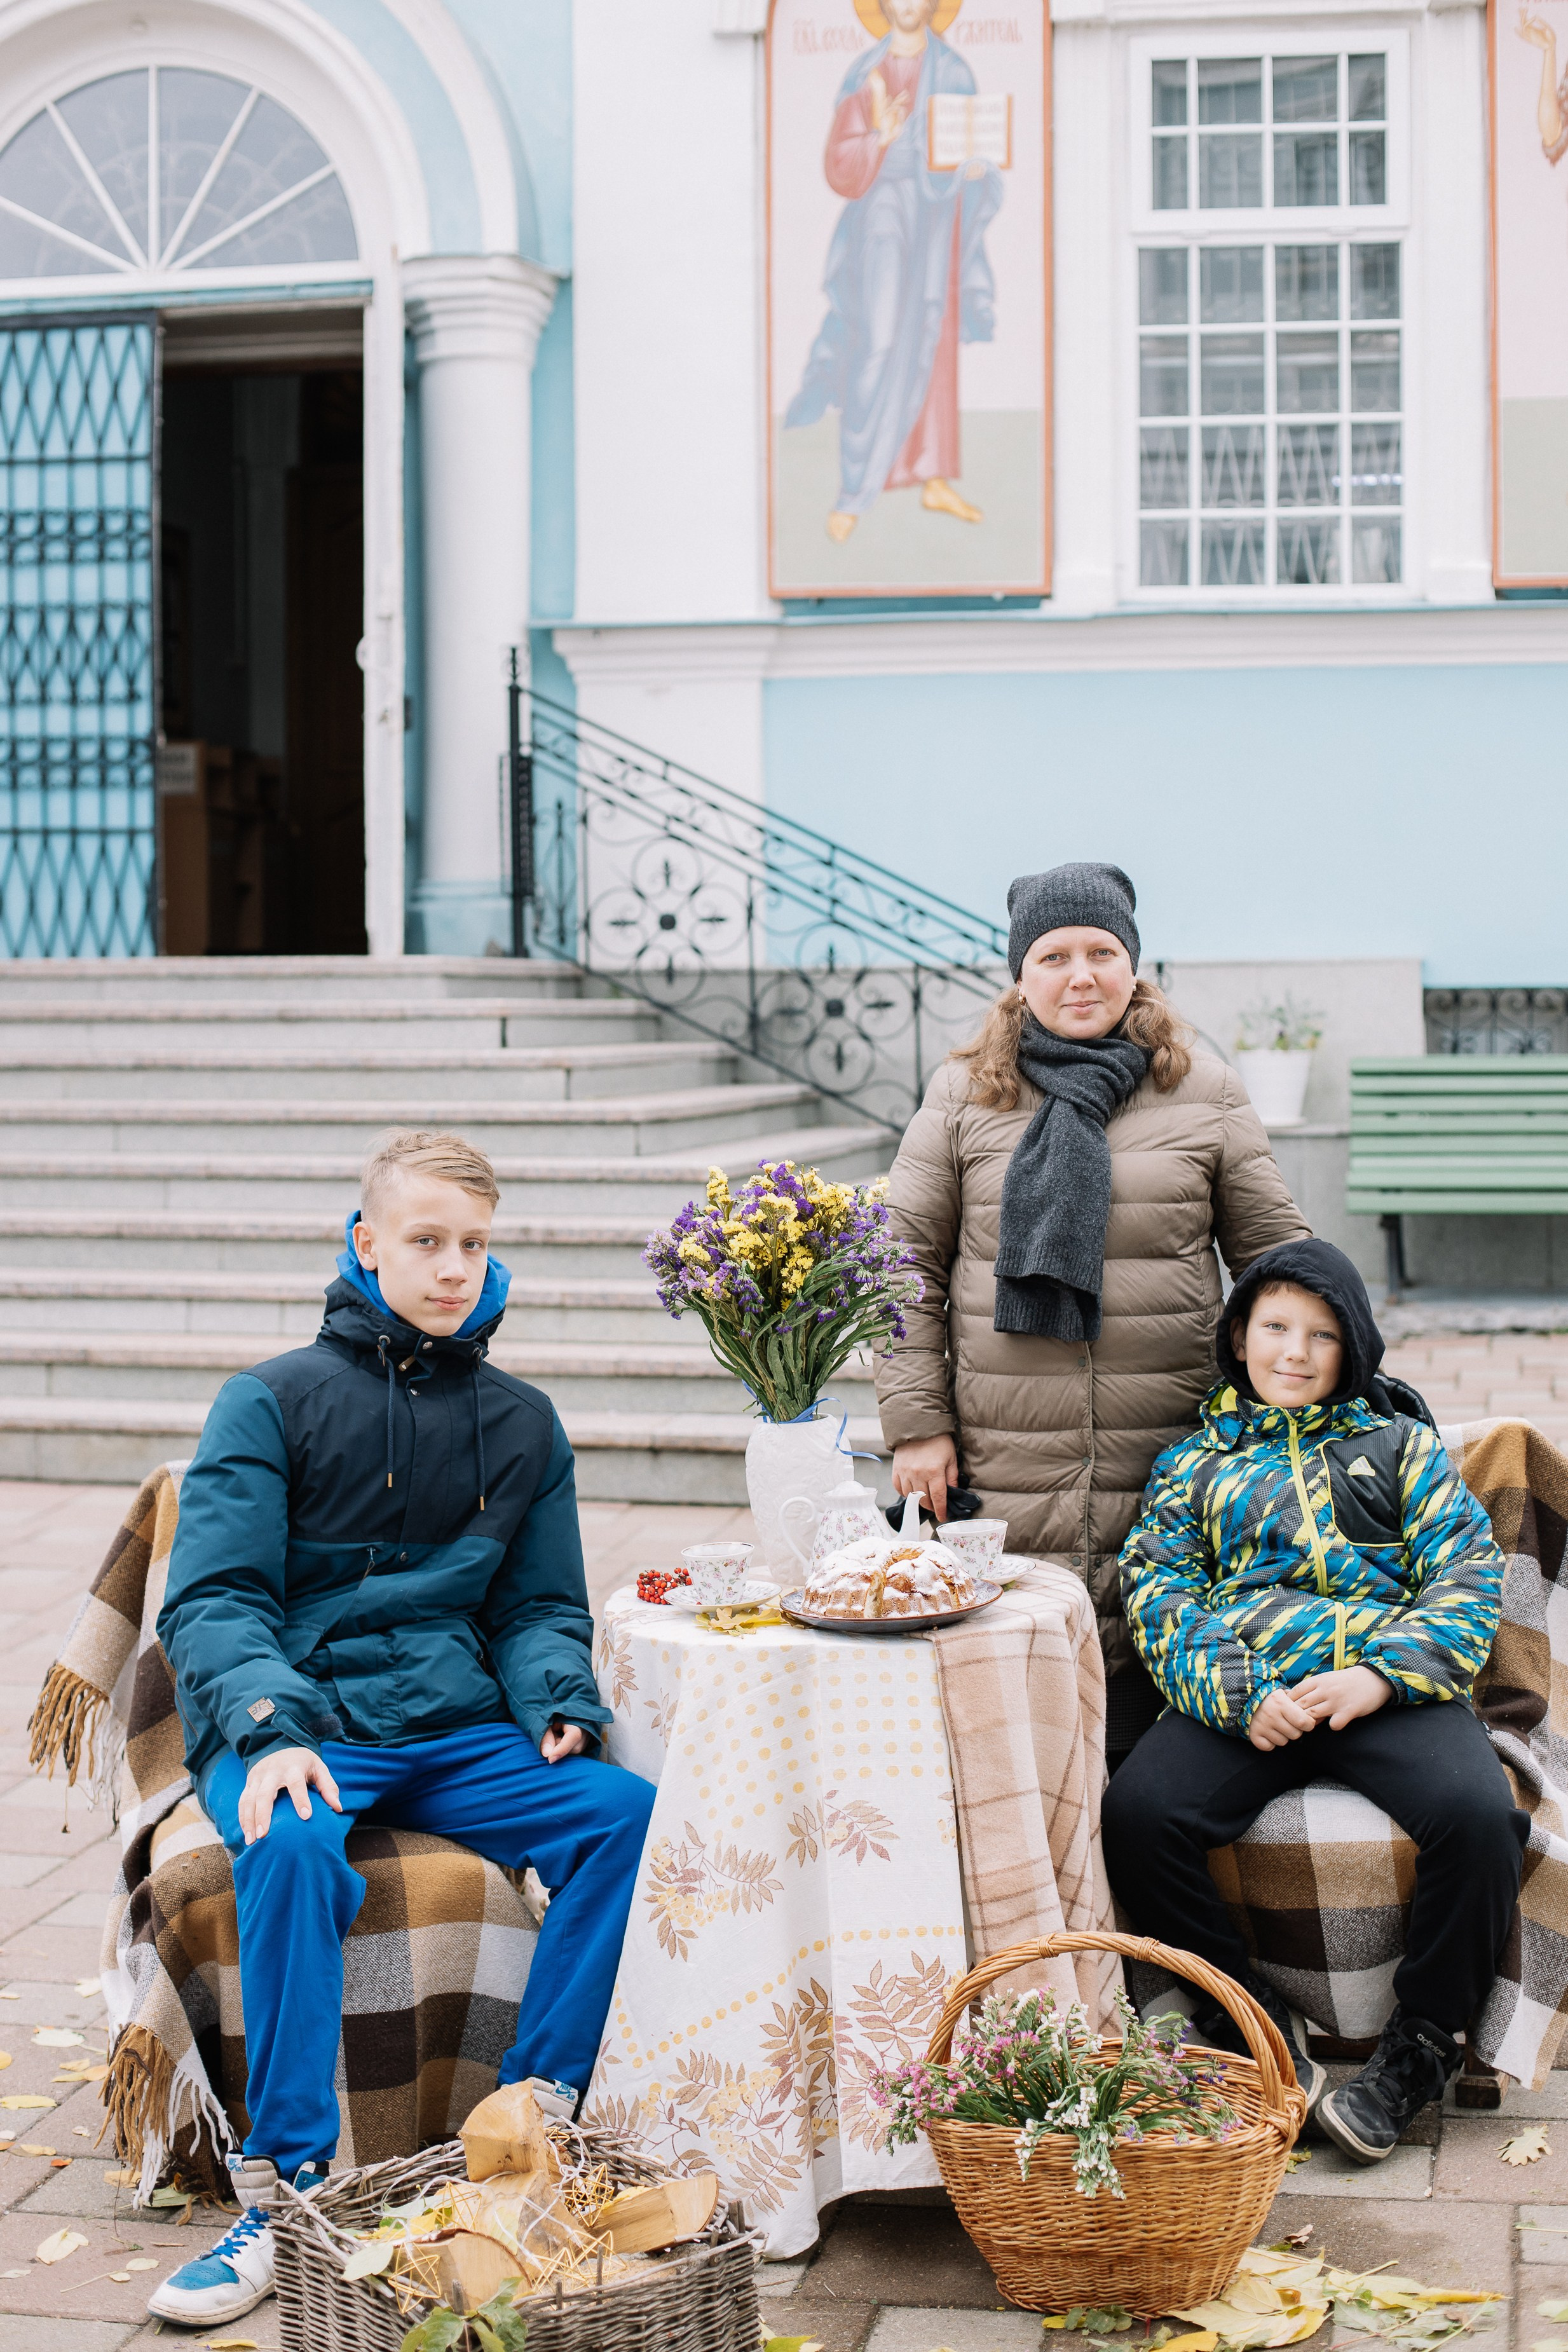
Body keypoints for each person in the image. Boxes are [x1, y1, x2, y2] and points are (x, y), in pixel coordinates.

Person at [147, 1128, 654, 2328]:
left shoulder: (525, 1421)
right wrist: (267, 1733)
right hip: (304, 1721)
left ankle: (533, 2131)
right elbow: (212, 1601)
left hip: (452, 1725)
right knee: (293, 1842)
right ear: (365, 1244)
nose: (453, 1268)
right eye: (426, 1241)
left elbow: (538, 1607)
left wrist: (555, 1701)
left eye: (474, 1244)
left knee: (621, 1816)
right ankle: (286, 2195)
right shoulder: (268, 1399)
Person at [875, 860, 1310, 1759]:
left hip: (1172, 1446)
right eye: (1053, 955)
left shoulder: (1203, 1090)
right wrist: (914, 1422)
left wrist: (1293, 1409)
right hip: (1004, 1452)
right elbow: (900, 1263)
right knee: (1014, 1715)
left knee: (1155, 1704)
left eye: (1101, 951)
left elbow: (1281, 1265)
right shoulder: (963, 1095)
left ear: (1134, 964)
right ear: (1018, 974)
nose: (1079, 975)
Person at [1104, 1237, 1525, 2161]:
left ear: (1352, 1349)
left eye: (1320, 1336)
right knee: (1138, 1813)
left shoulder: (1399, 1446)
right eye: (1273, 1329)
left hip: (1387, 1689)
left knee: (1479, 1816)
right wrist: (1238, 1690)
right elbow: (1155, 1587)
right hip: (1254, 1695)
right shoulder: (1192, 1466)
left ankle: (1415, 2052)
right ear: (1237, 1336)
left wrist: (1380, 1674)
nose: (1292, 1353)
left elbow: (1464, 1572)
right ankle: (1246, 2026)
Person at [785, 0, 1002, 540]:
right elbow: (840, 162)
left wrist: (975, 168)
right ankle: (854, 488)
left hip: (938, 211)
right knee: (878, 338)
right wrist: (880, 136)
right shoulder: (865, 73)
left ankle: (932, 474)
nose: (907, 5)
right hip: (882, 211)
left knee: (933, 333)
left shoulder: (953, 71)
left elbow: (969, 144)